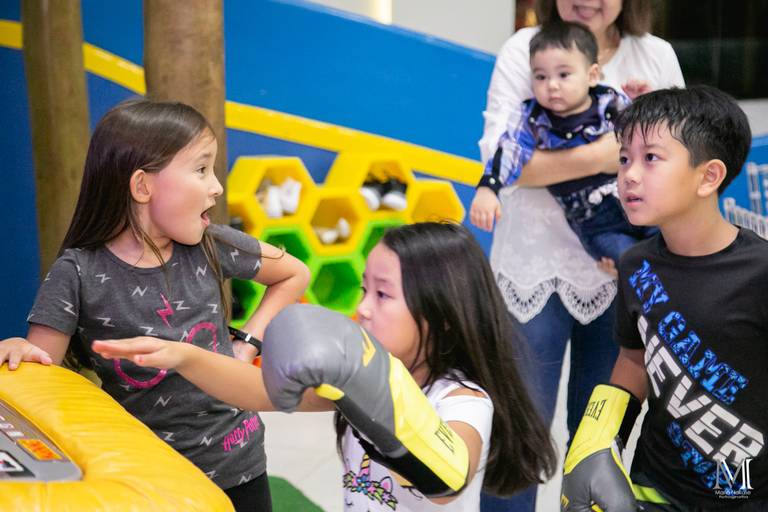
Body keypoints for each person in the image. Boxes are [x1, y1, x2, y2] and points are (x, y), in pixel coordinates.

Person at [90, 222, 558, 511]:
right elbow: (256, 391)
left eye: (383, 295)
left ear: (441, 317)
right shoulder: (357, 378)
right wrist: (183, 356)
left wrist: (368, 382)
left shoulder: (464, 401)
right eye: (362, 290)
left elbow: (446, 482)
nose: (364, 309)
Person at [0, 99, 311, 512]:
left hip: (238, 460)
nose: (216, 186)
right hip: (151, 481)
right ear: (143, 186)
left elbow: (294, 274)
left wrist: (247, 343)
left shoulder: (210, 243)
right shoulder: (77, 271)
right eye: (201, 169)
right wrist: (21, 350)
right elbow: (45, 373)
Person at [469, 1, 684, 509]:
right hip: (533, 269)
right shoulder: (525, 47)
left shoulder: (654, 56)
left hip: (625, 269)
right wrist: (620, 150)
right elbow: (504, 159)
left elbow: (680, 157)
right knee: (518, 434)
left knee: (597, 438)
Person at [562, 85, 767, 511]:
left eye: (651, 158)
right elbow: (634, 359)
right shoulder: (636, 264)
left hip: (745, 493)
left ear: (708, 176)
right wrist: (598, 441)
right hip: (653, 486)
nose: (629, 175)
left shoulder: (760, 271)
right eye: (624, 158)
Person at [478, 20, 656, 266]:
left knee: (673, 248)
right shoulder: (532, 119)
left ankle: (682, 300)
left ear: (592, 75)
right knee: (633, 266)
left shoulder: (609, 102)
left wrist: (644, 103)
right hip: (597, 225)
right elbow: (508, 151)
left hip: (639, 203)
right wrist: (489, 188)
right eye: (540, 76)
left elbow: (650, 136)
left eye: (563, 74)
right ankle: (658, 300)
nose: (552, 85)